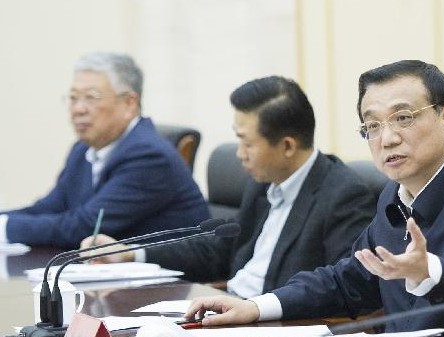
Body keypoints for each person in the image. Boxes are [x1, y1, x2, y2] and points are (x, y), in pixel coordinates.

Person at [184, 60, 444, 337]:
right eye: (372, 126)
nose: (387, 138)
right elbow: (350, 279)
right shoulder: (394, 194)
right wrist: (255, 307)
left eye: (403, 118)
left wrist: (433, 272)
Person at [81, 76, 377, 298]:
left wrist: (255, 309)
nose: (239, 154)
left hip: (277, 326)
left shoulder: (342, 195)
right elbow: (219, 249)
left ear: (287, 146)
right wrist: (131, 253)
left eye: (247, 143)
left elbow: (341, 288)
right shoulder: (263, 184)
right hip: (229, 309)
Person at [0, 52, 209, 249]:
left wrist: (5, 228)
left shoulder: (149, 156)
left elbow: (86, 226)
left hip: (171, 283)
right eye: (73, 98)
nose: (78, 109)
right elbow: (49, 208)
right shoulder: (83, 149)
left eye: (91, 97)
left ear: (129, 103)